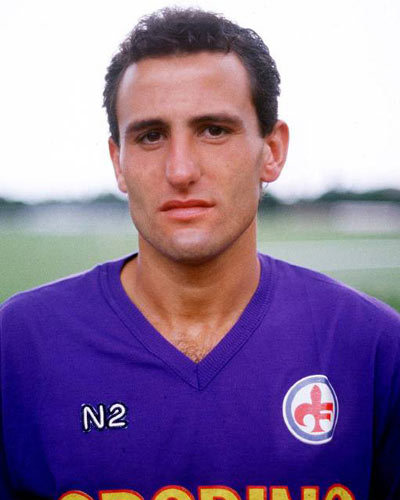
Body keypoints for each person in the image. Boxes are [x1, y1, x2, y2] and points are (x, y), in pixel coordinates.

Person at [0, 7, 399, 500]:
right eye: (151, 136)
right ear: (118, 163)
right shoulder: (20, 345)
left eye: (213, 130)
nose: (181, 170)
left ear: (272, 150)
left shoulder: (372, 346)